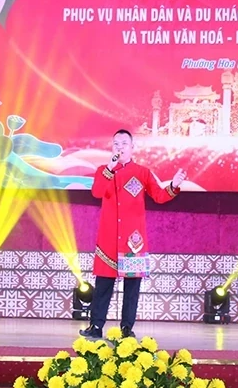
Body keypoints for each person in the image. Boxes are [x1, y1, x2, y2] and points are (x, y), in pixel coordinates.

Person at [79, 130, 186, 339]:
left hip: (133, 241)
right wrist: (110, 168)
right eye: (116, 143)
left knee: (132, 288)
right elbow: (97, 193)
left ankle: (127, 328)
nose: (120, 147)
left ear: (132, 147)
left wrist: (174, 185)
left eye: (124, 143)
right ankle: (96, 327)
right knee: (103, 286)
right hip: (109, 239)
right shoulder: (103, 170)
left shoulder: (142, 172)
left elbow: (159, 195)